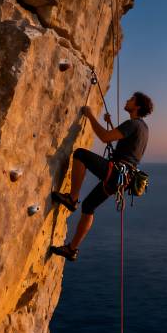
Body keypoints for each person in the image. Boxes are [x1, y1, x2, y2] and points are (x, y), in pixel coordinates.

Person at [50, 91, 153, 261]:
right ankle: (72, 249)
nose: (128, 100)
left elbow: (105, 138)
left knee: (81, 155)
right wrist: (110, 124)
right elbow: (127, 147)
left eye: (132, 99)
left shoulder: (132, 124)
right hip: (122, 180)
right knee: (89, 206)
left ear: (138, 106)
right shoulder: (143, 128)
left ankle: (72, 199)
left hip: (116, 173)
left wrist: (90, 115)